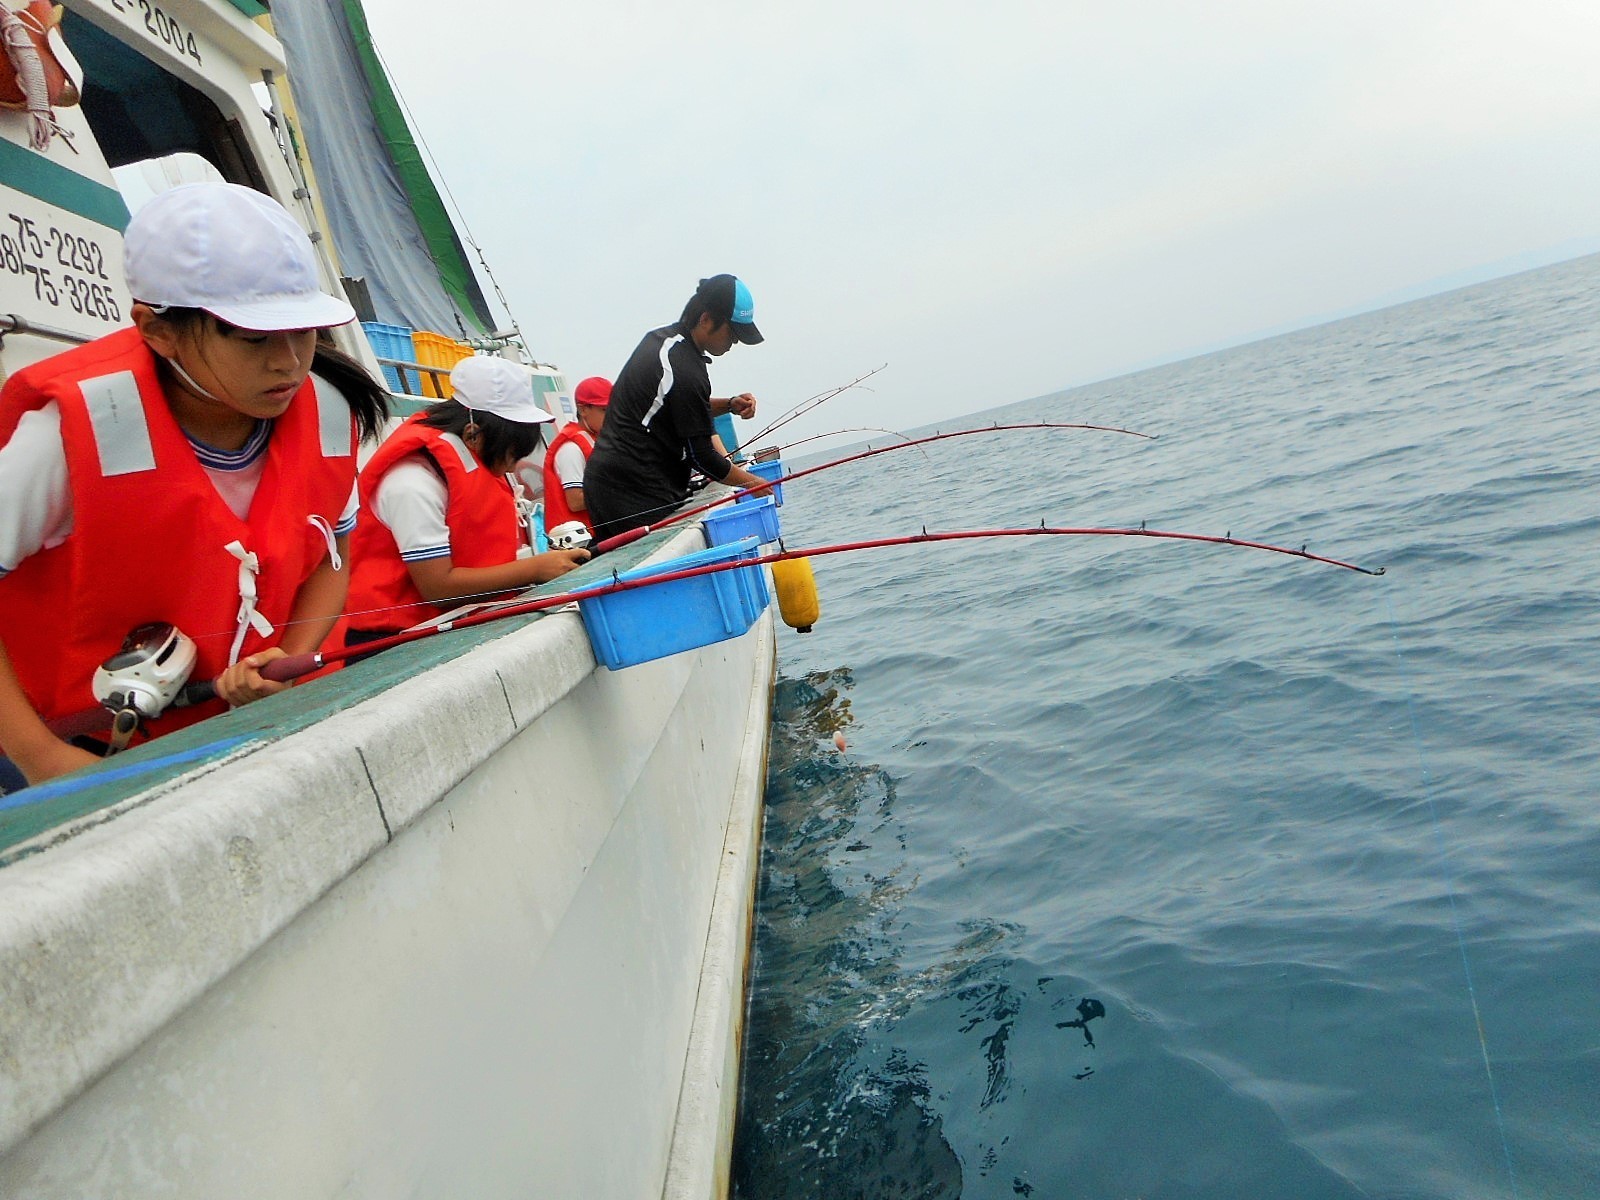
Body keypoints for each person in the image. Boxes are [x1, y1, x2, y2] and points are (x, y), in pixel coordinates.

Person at [0, 181, 389, 789]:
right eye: (255, 339)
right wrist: (39, 758)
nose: (289, 363)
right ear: (157, 330)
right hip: (77, 752)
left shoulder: (330, 413)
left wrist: (287, 655)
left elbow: (330, 557)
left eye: (305, 332)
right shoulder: (72, 433)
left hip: (244, 730)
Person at [341, 356, 589, 653]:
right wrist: (535, 569)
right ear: (473, 434)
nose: (511, 469)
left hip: (445, 628)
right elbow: (437, 588)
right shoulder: (412, 482)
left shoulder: (469, 463)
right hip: (393, 643)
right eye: (510, 454)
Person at [582, 274, 770, 542]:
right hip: (631, 492)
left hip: (618, 483)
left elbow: (676, 407)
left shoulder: (666, 343)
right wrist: (755, 483)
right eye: (733, 333)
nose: (735, 342)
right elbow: (702, 457)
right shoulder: (683, 368)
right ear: (706, 319)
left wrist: (728, 405)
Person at [541, 375, 610, 535]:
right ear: (583, 410)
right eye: (604, 410)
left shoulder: (594, 439)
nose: (610, 415)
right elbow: (575, 501)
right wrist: (620, 491)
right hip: (580, 544)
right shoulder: (571, 448)